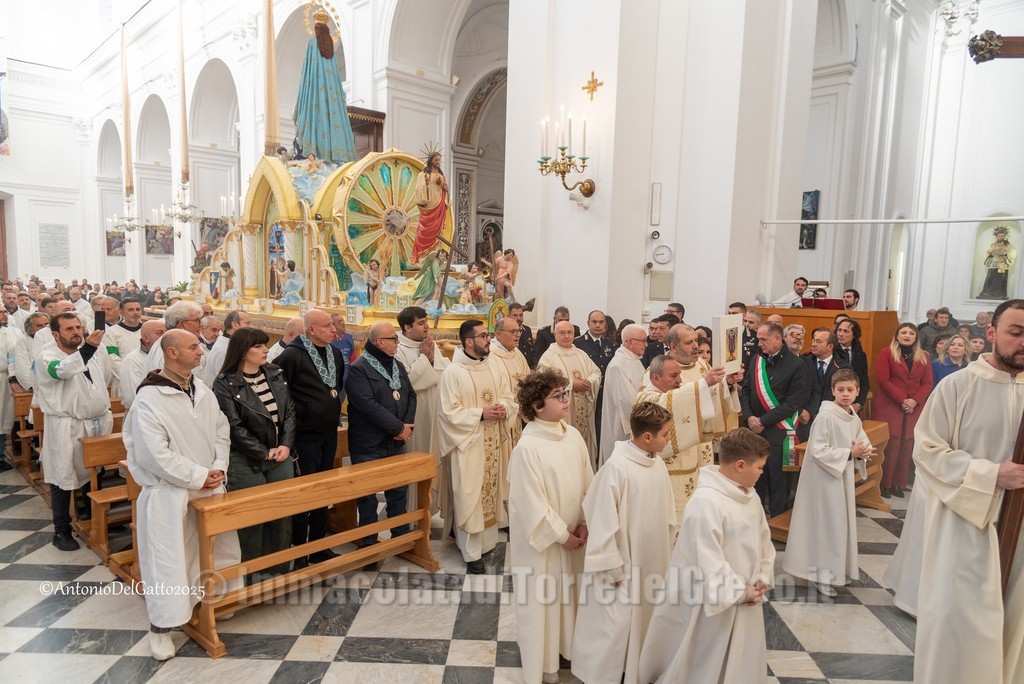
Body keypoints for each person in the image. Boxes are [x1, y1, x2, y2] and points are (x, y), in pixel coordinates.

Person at [912, 299, 1024, 684]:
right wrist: (991, 474)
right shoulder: (958, 386)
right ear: (990, 333)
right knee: (957, 629)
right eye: (1015, 333)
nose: (1023, 342)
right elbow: (927, 451)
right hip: (964, 529)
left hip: (1020, 536)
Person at [125, 329, 242, 661]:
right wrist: (198, 475)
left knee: (217, 549)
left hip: (208, 487)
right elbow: (152, 454)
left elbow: (221, 431)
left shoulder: (201, 389)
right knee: (169, 562)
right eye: (193, 347)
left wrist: (217, 467)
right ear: (172, 353)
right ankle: (161, 627)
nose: (201, 351)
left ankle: (213, 601)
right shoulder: (149, 398)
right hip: (169, 493)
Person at [637, 429, 775, 684]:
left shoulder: (751, 496)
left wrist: (762, 578)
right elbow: (707, 559)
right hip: (714, 603)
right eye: (759, 467)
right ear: (740, 465)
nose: (761, 473)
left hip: (748, 593)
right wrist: (740, 592)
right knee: (706, 664)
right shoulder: (706, 502)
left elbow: (764, 541)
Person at [572, 402, 676, 684]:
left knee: (645, 616)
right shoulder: (617, 468)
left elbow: (667, 511)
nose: (669, 439)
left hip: (652, 558)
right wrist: (610, 563)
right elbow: (600, 517)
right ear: (647, 437)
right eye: (666, 434)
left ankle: (636, 667)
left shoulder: (657, 463)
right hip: (622, 564)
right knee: (614, 624)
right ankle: (602, 675)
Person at [508, 368, 594, 684]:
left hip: (574, 536)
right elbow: (531, 505)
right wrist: (561, 535)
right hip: (544, 545)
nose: (566, 399)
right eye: (558, 396)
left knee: (570, 594)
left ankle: (568, 648)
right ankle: (544, 662)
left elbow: (588, 481)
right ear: (537, 406)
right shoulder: (527, 448)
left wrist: (584, 521)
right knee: (543, 599)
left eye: (566, 392)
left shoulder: (572, 435)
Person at [783, 369, 875, 597]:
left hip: (840, 477)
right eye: (841, 389)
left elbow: (861, 441)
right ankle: (820, 576)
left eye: (850, 390)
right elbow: (817, 451)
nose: (845, 394)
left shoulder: (852, 416)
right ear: (833, 390)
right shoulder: (825, 416)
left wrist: (863, 451)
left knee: (838, 526)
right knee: (825, 527)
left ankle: (836, 571)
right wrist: (850, 453)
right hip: (823, 481)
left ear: (858, 391)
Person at [213, 327, 296, 579]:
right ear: (242, 351)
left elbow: (289, 412)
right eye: (258, 346)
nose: (265, 350)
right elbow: (233, 425)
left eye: (265, 345)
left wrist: (286, 445)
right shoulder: (225, 382)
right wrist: (263, 452)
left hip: (280, 455)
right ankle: (249, 576)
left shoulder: (275, 373)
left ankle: (277, 571)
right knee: (251, 519)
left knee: (280, 514)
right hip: (244, 459)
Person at [436, 320, 516, 573]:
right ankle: (471, 552)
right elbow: (448, 413)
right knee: (469, 496)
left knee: (489, 493)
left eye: (488, 335)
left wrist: (504, 408)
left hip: (492, 442)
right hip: (468, 446)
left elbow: (508, 396)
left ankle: (487, 542)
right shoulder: (453, 372)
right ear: (469, 341)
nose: (489, 339)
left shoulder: (494, 367)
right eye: (483, 336)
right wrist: (481, 414)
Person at [35, 312, 113, 549]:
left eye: (78, 327)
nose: (76, 332)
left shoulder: (92, 352)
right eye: (69, 329)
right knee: (63, 476)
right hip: (67, 426)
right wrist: (88, 349)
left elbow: (104, 378)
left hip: (96, 422)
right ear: (55, 334)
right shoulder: (47, 356)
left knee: (95, 471)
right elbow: (61, 371)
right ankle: (61, 530)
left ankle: (93, 518)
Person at [275, 309, 346, 566]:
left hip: (328, 432)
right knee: (305, 492)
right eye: (327, 326)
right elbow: (281, 393)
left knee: (323, 490)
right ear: (311, 330)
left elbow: (336, 385)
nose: (333, 330)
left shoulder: (334, 353)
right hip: (304, 436)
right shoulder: (292, 355)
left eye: (333, 325)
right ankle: (299, 550)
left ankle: (318, 545)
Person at [636, 353, 736, 523]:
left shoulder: (674, 391)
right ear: (656, 378)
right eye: (674, 376)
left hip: (690, 467)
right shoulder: (646, 398)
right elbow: (668, 403)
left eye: (680, 375)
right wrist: (703, 384)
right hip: (664, 473)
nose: (680, 380)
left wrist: (728, 383)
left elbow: (697, 403)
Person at [345, 322, 417, 546]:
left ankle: (400, 536)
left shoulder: (396, 364)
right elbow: (368, 406)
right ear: (380, 342)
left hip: (395, 442)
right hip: (369, 444)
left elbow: (411, 395)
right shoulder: (359, 368)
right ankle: (369, 542)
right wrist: (398, 428)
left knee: (399, 490)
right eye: (393, 339)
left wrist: (407, 425)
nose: (397, 342)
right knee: (368, 496)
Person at [739, 322, 809, 517]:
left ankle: (778, 523)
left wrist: (762, 421)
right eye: (758, 339)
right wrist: (749, 417)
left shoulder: (797, 364)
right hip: (755, 433)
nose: (759, 343)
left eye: (763, 339)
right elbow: (746, 391)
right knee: (755, 480)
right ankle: (756, 518)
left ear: (778, 339)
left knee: (780, 483)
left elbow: (792, 403)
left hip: (782, 434)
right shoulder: (757, 360)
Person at [875, 323, 933, 499]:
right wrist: (903, 399)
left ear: (916, 337)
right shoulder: (887, 353)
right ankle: (884, 483)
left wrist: (914, 401)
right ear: (897, 335)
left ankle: (898, 483)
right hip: (890, 405)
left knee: (907, 446)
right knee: (891, 445)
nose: (907, 336)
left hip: (914, 407)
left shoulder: (924, 356)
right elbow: (883, 380)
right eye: (903, 332)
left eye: (911, 333)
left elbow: (928, 383)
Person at [538, 320, 602, 466]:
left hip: (584, 414)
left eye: (569, 332)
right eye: (562, 333)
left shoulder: (581, 354)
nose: (566, 336)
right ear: (555, 335)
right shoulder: (548, 357)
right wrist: (572, 384)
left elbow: (597, 372)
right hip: (565, 415)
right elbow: (545, 382)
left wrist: (589, 382)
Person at [394, 306, 450, 459]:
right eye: (421, 323)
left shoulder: (429, 343)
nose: (427, 326)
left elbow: (446, 372)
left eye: (426, 321)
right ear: (407, 327)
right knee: (418, 452)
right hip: (415, 410)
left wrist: (431, 360)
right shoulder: (397, 349)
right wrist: (425, 358)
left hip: (435, 405)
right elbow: (407, 383)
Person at [598, 323, 647, 467]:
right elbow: (627, 402)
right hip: (622, 425)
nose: (646, 345)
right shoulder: (618, 365)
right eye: (642, 341)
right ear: (629, 342)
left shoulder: (634, 360)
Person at [490, 315, 531, 474]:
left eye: (519, 331)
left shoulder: (517, 354)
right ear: (499, 334)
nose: (518, 334)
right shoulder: (490, 356)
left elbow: (528, 380)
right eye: (513, 331)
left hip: (518, 418)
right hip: (501, 419)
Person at [798, 327, 848, 442]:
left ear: (830, 346)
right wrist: (808, 411)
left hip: (831, 419)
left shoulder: (842, 367)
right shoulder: (803, 362)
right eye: (813, 340)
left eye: (818, 341)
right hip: (805, 419)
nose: (813, 344)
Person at [574, 310, 615, 443]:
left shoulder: (609, 344)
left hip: (604, 393)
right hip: (587, 392)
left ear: (605, 324)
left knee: (602, 427)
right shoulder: (578, 343)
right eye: (594, 322)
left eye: (601, 322)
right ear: (588, 323)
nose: (597, 325)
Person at [145, 301, 207, 381]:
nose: (201, 325)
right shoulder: (172, 347)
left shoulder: (172, 342)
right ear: (182, 324)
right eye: (197, 321)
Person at [119, 320, 167, 410]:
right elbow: (133, 398)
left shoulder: (166, 356)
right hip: (143, 413)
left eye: (165, 333)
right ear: (146, 338)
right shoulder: (132, 361)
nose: (164, 337)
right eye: (159, 333)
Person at [102, 296, 143, 396]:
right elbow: (112, 357)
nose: (135, 313)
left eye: (138, 309)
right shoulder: (112, 332)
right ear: (121, 312)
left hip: (146, 380)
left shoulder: (147, 330)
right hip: (123, 382)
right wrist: (129, 375)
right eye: (130, 310)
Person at [412, 150, 449, 262]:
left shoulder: (441, 176)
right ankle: (422, 257)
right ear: (431, 161)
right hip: (428, 207)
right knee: (424, 230)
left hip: (439, 207)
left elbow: (446, 190)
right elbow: (418, 190)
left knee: (438, 232)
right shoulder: (423, 175)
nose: (438, 162)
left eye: (439, 160)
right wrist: (427, 184)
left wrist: (444, 186)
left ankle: (437, 257)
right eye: (436, 160)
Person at [202, 310, 252, 386]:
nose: (251, 327)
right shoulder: (225, 350)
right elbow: (225, 383)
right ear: (235, 325)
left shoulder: (229, 343)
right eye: (247, 323)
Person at [0, 307, 21, 468]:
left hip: (3, 378)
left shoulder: (11, 332)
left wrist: (13, 377)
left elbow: (14, 356)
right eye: (0, 313)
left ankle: (0, 457)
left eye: (4, 312)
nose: (4, 315)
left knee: (2, 418)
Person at [834, 318, 869, 412]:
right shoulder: (831, 351)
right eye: (839, 330)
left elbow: (864, 382)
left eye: (846, 331)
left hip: (852, 405)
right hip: (834, 404)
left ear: (854, 335)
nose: (841, 334)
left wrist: (858, 404)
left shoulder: (860, 355)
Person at [977, 225, 1016, 300]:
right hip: (993, 264)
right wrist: (991, 253)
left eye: (1002, 236)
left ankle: (999, 294)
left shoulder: (1008, 245)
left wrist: (1005, 254)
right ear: (996, 236)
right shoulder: (993, 244)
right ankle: (988, 292)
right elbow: (988, 253)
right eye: (999, 236)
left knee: (1000, 279)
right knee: (990, 277)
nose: (1000, 237)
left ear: (1004, 236)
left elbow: (1013, 252)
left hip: (1002, 264)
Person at [509, 302, 535, 368]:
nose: (518, 318)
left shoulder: (527, 330)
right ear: (509, 316)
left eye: (521, 315)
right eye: (515, 315)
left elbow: (531, 351)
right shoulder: (507, 332)